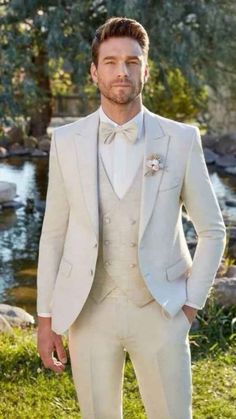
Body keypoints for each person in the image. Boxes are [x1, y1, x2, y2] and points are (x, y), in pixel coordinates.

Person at [36, 17, 226, 419]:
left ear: (146, 69)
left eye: (132, 61)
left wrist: (189, 306)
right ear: (94, 71)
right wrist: (46, 318)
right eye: (110, 61)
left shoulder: (180, 139)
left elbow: (212, 230)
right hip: (88, 314)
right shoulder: (66, 141)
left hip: (161, 311)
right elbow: (53, 235)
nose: (121, 71)